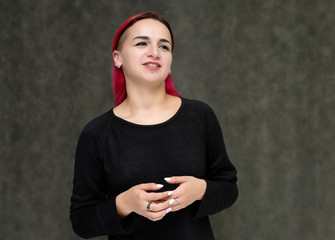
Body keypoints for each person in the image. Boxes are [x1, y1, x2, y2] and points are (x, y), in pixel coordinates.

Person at [70, 11, 238, 240]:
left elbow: (229, 188)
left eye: (164, 46)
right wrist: (125, 203)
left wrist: (201, 191)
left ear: (170, 62)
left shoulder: (199, 116)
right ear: (117, 58)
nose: (154, 53)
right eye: (141, 43)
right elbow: (82, 221)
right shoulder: (97, 134)